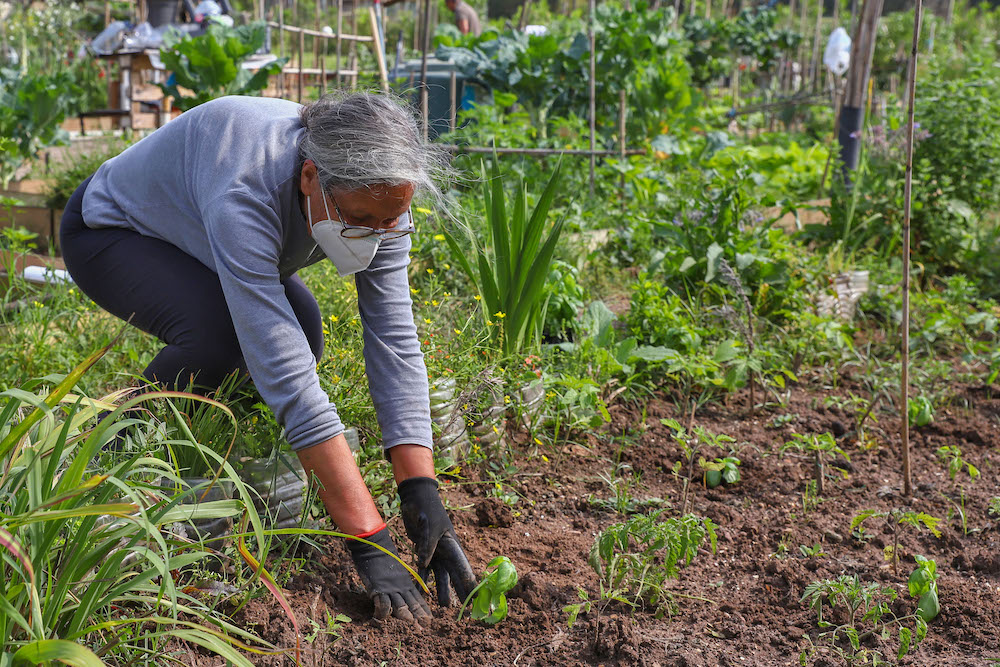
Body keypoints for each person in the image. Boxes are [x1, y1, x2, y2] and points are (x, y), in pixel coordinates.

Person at [59, 92, 477, 625]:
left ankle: (207, 432)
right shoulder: (248, 185)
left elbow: (394, 337)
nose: (377, 235)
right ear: (309, 179)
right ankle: (111, 441)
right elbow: (287, 375)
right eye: (359, 218)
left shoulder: (381, 197)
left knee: (304, 332)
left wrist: (421, 491)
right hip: (111, 232)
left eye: (390, 219)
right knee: (224, 340)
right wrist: (371, 541)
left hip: (195, 237)